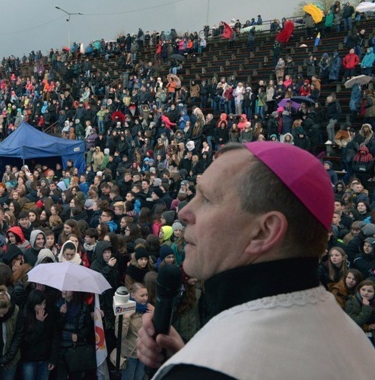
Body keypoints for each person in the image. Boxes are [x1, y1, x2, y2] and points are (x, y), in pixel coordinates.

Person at [137, 142, 375, 379]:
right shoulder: (355, 343)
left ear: (264, 232)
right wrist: (186, 355)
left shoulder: (211, 369)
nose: (184, 212)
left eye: (207, 199)